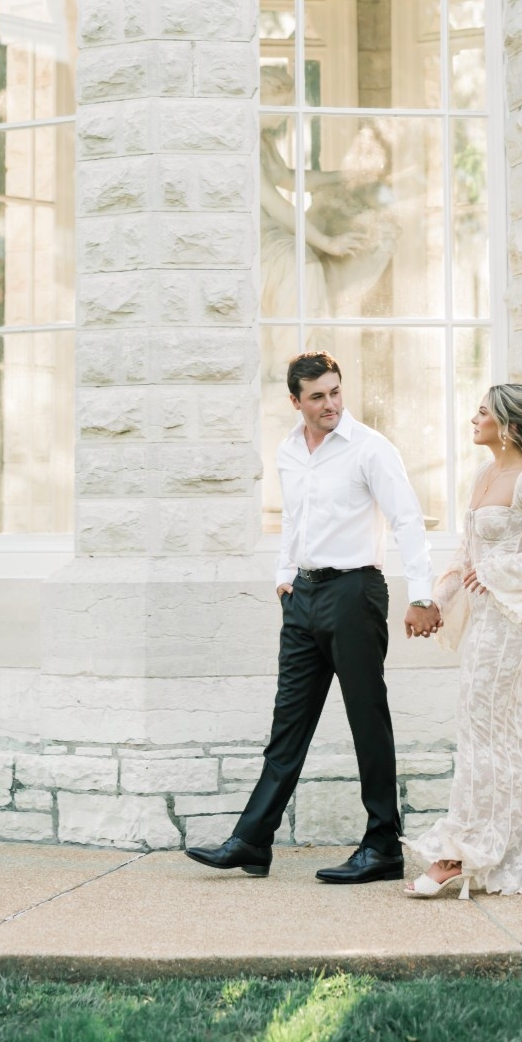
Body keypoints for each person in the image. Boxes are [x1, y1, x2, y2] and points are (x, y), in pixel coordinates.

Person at [185, 350, 442, 884]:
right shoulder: (287, 451)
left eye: (335, 392)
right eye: (317, 396)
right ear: (295, 401)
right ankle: (253, 841)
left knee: (367, 720)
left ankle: (382, 847)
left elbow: (408, 521)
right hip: (302, 597)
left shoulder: (370, 449)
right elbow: (293, 520)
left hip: (354, 593)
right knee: (287, 724)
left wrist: (420, 595)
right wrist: (284, 575)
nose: (330, 404)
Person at [405, 382, 522, 899]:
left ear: (507, 425)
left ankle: (457, 855)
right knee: (495, 732)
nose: (474, 419)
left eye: (482, 413)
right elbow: (466, 558)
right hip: (481, 623)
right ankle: (521, 848)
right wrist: (434, 604)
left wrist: (501, 568)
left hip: (510, 624)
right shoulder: (485, 475)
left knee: (485, 729)